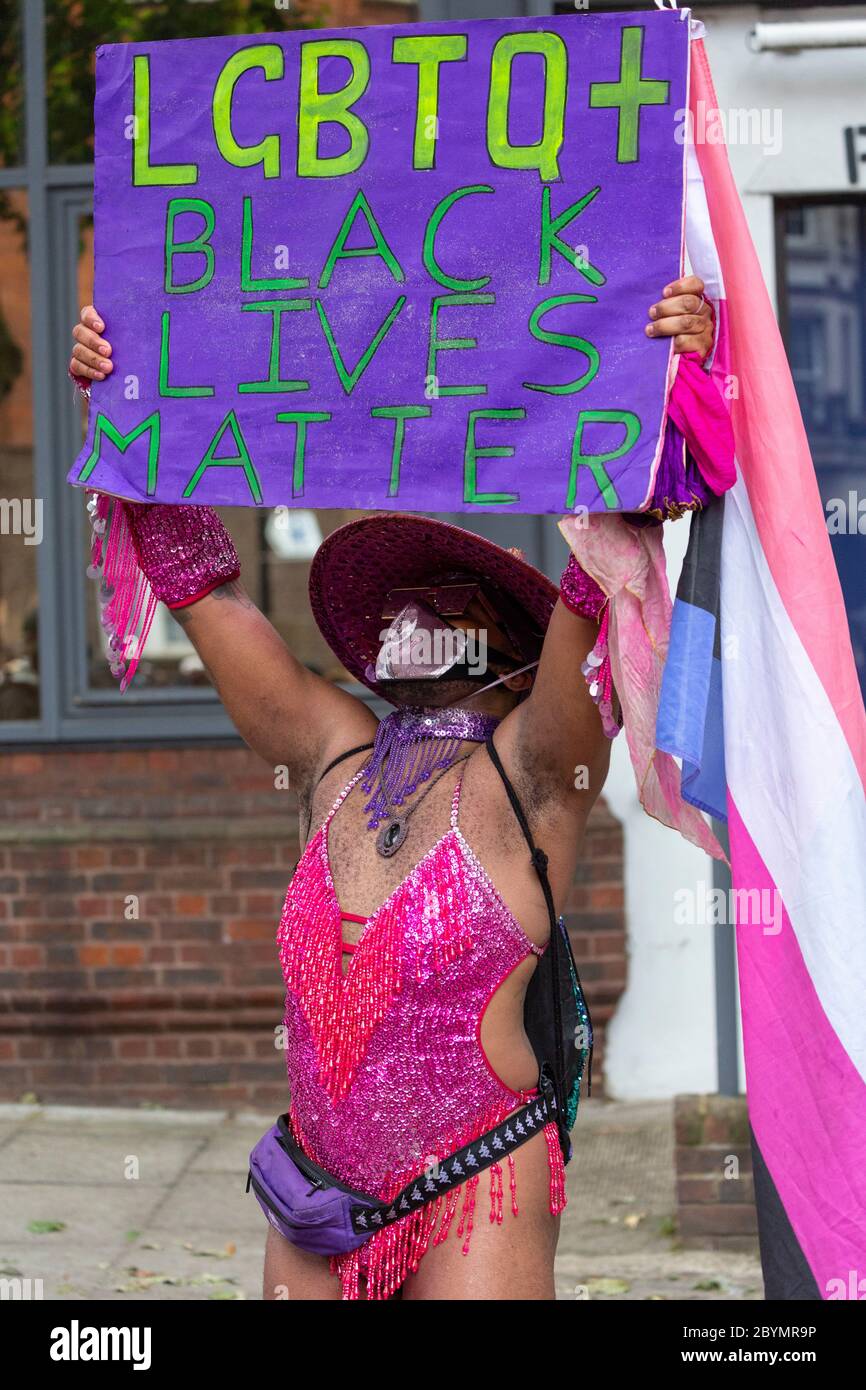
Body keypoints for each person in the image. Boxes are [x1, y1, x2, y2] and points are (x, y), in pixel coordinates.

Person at [69, 276, 716, 1301]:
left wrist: (650, 389)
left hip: (474, 1185)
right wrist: (129, 406)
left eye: (444, 600)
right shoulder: (332, 749)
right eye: (396, 604)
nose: (411, 614)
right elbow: (203, 591)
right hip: (313, 1193)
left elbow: (602, 579)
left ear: (508, 648)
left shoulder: (532, 779)